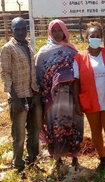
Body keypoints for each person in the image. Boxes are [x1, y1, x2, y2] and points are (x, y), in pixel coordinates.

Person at [72, 22, 105, 172]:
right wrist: (77, 103)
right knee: (96, 132)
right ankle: (102, 159)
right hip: (90, 100)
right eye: (92, 36)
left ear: (101, 38)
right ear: (86, 38)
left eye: (97, 36)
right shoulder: (79, 58)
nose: (95, 38)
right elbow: (75, 82)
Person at [35, 19, 83, 169]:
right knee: (55, 125)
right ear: (50, 32)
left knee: (73, 123)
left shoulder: (72, 50)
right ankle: (58, 158)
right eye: (54, 31)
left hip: (71, 95)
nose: (57, 34)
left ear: (64, 31)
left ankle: (74, 157)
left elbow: (79, 73)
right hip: (53, 97)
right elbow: (39, 74)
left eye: (59, 30)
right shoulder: (43, 53)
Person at [0, 17, 42, 172]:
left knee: (35, 130)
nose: (21, 32)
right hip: (19, 97)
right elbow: (5, 74)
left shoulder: (28, 46)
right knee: (19, 135)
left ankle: (32, 160)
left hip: (32, 95)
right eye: (17, 29)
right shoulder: (8, 48)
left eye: (23, 29)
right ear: (11, 30)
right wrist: (14, 97)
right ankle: (18, 166)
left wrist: (36, 93)